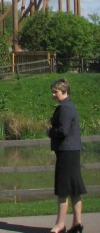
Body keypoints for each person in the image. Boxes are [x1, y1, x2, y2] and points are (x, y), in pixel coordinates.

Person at [47, 78, 86, 233]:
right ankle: (77, 223)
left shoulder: (65, 108)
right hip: (71, 152)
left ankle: (60, 225)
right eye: (53, 92)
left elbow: (63, 130)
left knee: (63, 190)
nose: (53, 95)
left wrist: (50, 132)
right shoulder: (69, 106)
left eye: (55, 92)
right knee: (74, 189)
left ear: (65, 92)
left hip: (66, 152)